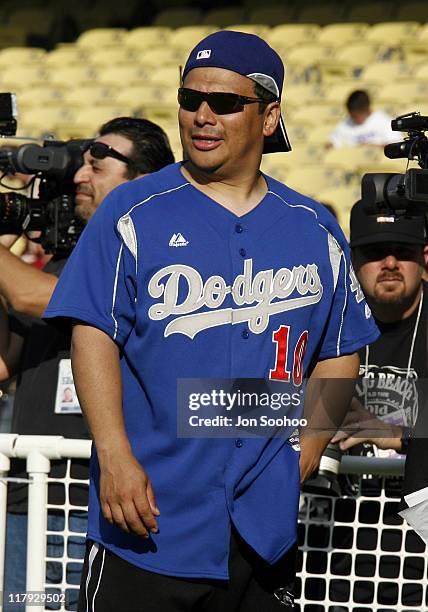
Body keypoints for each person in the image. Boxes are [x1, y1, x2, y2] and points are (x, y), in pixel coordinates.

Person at [44, 31, 378, 612]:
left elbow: (339, 347)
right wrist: (116, 455)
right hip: (146, 522)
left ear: (269, 116)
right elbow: (92, 331)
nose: (202, 115)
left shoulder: (312, 225)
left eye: (225, 103)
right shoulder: (133, 209)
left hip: (261, 531)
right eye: (189, 99)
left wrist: (309, 443)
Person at [0, 117, 174, 612]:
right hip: (29, 500)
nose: (79, 175)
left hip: (99, 499)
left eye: (97, 165)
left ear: (141, 181)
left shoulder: (153, 259)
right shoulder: (66, 259)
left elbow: (29, 294)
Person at [328, 199, 428, 609]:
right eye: (373, 253)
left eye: (402, 252)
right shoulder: (325, 323)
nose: (389, 263)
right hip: (331, 553)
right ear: (352, 261)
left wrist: (399, 434)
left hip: (418, 557)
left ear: (424, 258)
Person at [328, 89, 400, 149]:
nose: (352, 119)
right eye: (351, 115)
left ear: (366, 110)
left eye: (355, 116)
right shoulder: (345, 124)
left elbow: (396, 145)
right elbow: (332, 144)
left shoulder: (384, 121)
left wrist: (370, 147)